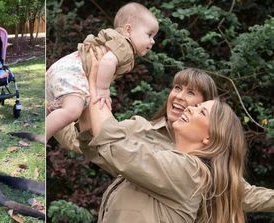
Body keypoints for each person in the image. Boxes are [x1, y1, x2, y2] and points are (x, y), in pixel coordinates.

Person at [53, 49, 274, 220]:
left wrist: (95, 84)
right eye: (177, 88)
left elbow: (115, 144)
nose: (181, 99)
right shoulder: (141, 128)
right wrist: (61, 106)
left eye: (192, 95)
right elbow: (97, 145)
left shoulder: (195, 170)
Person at [46, 2, 159, 142]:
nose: (152, 41)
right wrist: (103, 89)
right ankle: (42, 136)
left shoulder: (116, 42)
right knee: (73, 111)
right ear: (128, 29)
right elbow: (107, 62)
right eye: (149, 35)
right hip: (72, 72)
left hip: (65, 69)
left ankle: (39, 124)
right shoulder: (125, 46)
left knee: (64, 108)